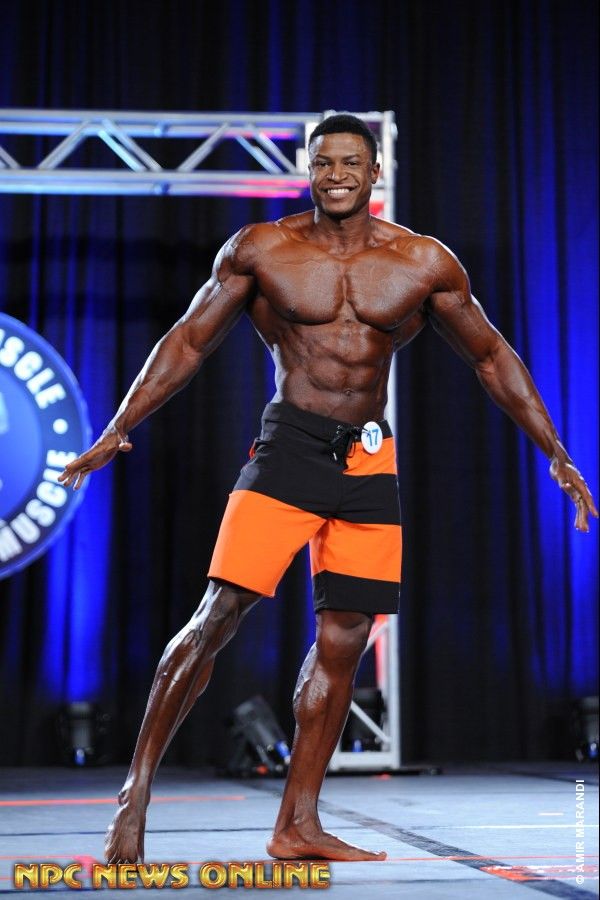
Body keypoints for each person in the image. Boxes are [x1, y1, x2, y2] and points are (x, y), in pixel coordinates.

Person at [58, 114, 597, 863]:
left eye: (350, 162)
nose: (336, 174)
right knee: (218, 615)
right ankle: (135, 792)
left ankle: (298, 824)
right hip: (289, 449)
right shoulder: (262, 249)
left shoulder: (422, 261)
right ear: (307, 171)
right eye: (322, 162)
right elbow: (187, 341)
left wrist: (555, 450)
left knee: (344, 639)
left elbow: (491, 357)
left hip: (369, 461)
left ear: (375, 173)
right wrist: (119, 425)